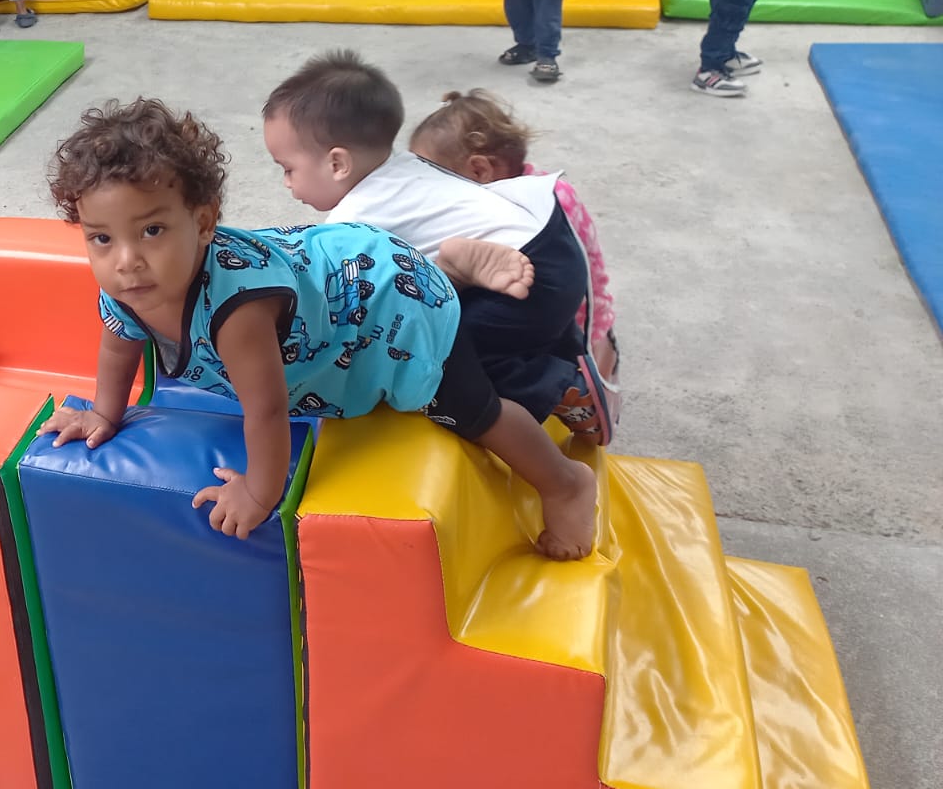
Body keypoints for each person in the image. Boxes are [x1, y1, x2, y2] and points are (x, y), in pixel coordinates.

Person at [38, 98, 598, 562]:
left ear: (204, 222)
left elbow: (267, 410)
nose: (126, 261)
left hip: (387, 303)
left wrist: (259, 492)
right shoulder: (129, 287)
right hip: (341, 272)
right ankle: (449, 268)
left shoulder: (237, 310)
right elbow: (118, 346)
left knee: (466, 407)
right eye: (101, 238)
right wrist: (104, 413)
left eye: (152, 230)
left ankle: (564, 482)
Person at [262, 51, 612, 445]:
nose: (286, 183)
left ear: (338, 164)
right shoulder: (410, 165)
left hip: (527, 276)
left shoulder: (352, 223)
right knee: (450, 308)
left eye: (287, 168)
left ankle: (563, 387)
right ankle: (525, 322)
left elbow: (339, 309)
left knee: (441, 358)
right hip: (547, 240)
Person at [410, 89, 620, 410]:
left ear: (479, 170)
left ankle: (563, 389)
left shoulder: (536, 204)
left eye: (433, 179)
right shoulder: (530, 189)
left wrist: (594, 332)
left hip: (567, 320)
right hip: (547, 307)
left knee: (473, 350)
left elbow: (584, 270)